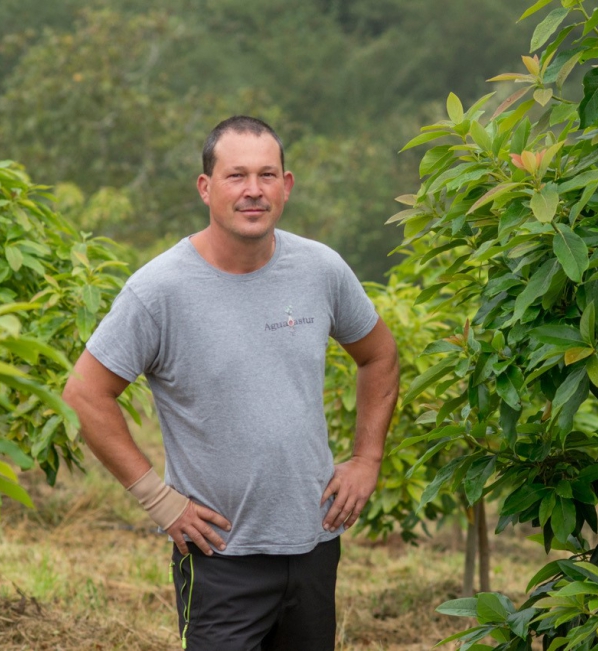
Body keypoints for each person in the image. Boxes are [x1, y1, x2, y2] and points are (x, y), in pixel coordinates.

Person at [62, 115, 399, 651]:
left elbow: (379, 355)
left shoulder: (321, 269)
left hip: (314, 545)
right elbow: (83, 394)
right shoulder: (160, 290)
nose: (253, 191)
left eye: (267, 175)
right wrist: (159, 500)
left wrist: (367, 459)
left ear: (286, 186)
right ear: (206, 188)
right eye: (236, 176)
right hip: (219, 556)